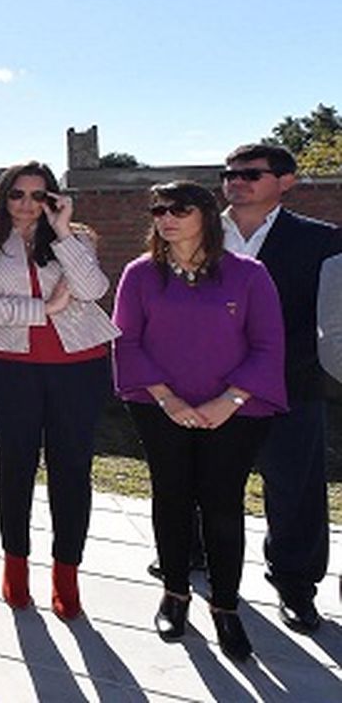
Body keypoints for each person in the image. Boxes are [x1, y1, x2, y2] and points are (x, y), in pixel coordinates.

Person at [113, 181, 285, 662]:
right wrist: (168, 400)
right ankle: (175, 593)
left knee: (222, 504)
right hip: (159, 407)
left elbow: (268, 345)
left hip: (235, 411)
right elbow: (126, 342)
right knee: (171, 496)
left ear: (207, 215)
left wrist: (227, 401)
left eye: (178, 208)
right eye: (159, 209)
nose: (166, 217)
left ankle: (226, 607)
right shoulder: (140, 274)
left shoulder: (249, 275)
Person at [0, 161, 120, 619]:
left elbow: (93, 289)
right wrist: (44, 307)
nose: (27, 204)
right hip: (10, 367)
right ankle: (16, 566)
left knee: (72, 468)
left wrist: (63, 231)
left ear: (52, 197)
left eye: (38, 194)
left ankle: (66, 574)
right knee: (15, 465)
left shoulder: (76, 237)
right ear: (3, 197)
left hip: (78, 366)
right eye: (17, 194)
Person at [220, 143, 342, 633]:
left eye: (251, 173)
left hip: (290, 385)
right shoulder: (195, 231)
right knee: (206, 483)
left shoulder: (322, 241)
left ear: (286, 181)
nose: (237, 181)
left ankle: (295, 585)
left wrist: (262, 373)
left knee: (296, 489)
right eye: (229, 173)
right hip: (208, 388)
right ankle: (196, 563)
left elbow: (330, 321)